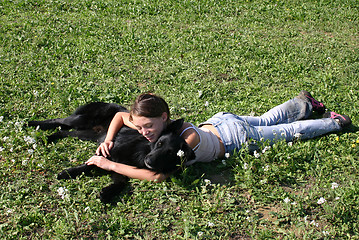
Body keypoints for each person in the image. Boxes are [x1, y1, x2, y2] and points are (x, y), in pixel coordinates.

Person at [85, 91, 351, 182]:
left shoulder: (184, 142)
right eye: (140, 127)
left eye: (147, 127)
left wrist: (109, 165)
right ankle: (304, 103)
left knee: (288, 132)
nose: (143, 132)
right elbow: (120, 117)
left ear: (164, 117)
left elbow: (156, 175)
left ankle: (335, 123)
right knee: (268, 119)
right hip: (220, 121)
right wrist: (108, 139)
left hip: (235, 139)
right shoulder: (154, 124)